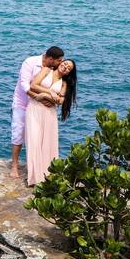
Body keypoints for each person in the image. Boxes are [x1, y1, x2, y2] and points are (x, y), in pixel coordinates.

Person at [10, 46, 64, 178]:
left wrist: (54, 100)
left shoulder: (52, 69)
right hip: (22, 104)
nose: (60, 63)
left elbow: (58, 85)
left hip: (41, 108)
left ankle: (39, 169)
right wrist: (38, 97)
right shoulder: (30, 62)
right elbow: (25, 85)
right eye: (59, 60)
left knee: (39, 137)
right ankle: (14, 165)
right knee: (18, 133)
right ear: (51, 59)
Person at [25, 58, 77, 185]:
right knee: (34, 140)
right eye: (65, 63)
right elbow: (33, 85)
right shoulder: (46, 70)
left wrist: (43, 96)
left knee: (48, 143)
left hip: (49, 113)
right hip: (35, 109)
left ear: (68, 73)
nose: (65, 67)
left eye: (68, 68)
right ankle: (34, 177)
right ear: (61, 62)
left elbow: (60, 101)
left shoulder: (64, 83)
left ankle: (47, 176)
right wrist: (49, 93)